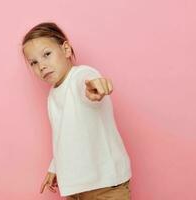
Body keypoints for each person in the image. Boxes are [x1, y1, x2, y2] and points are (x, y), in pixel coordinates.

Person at [21, 22, 132, 199]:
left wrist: (94, 85)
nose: (41, 65)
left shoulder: (80, 76)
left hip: (106, 186)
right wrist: (54, 167)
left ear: (65, 49)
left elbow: (86, 81)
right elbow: (63, 137)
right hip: (75, 188)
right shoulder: (52, 96)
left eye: (47, 54)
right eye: (34, 62)